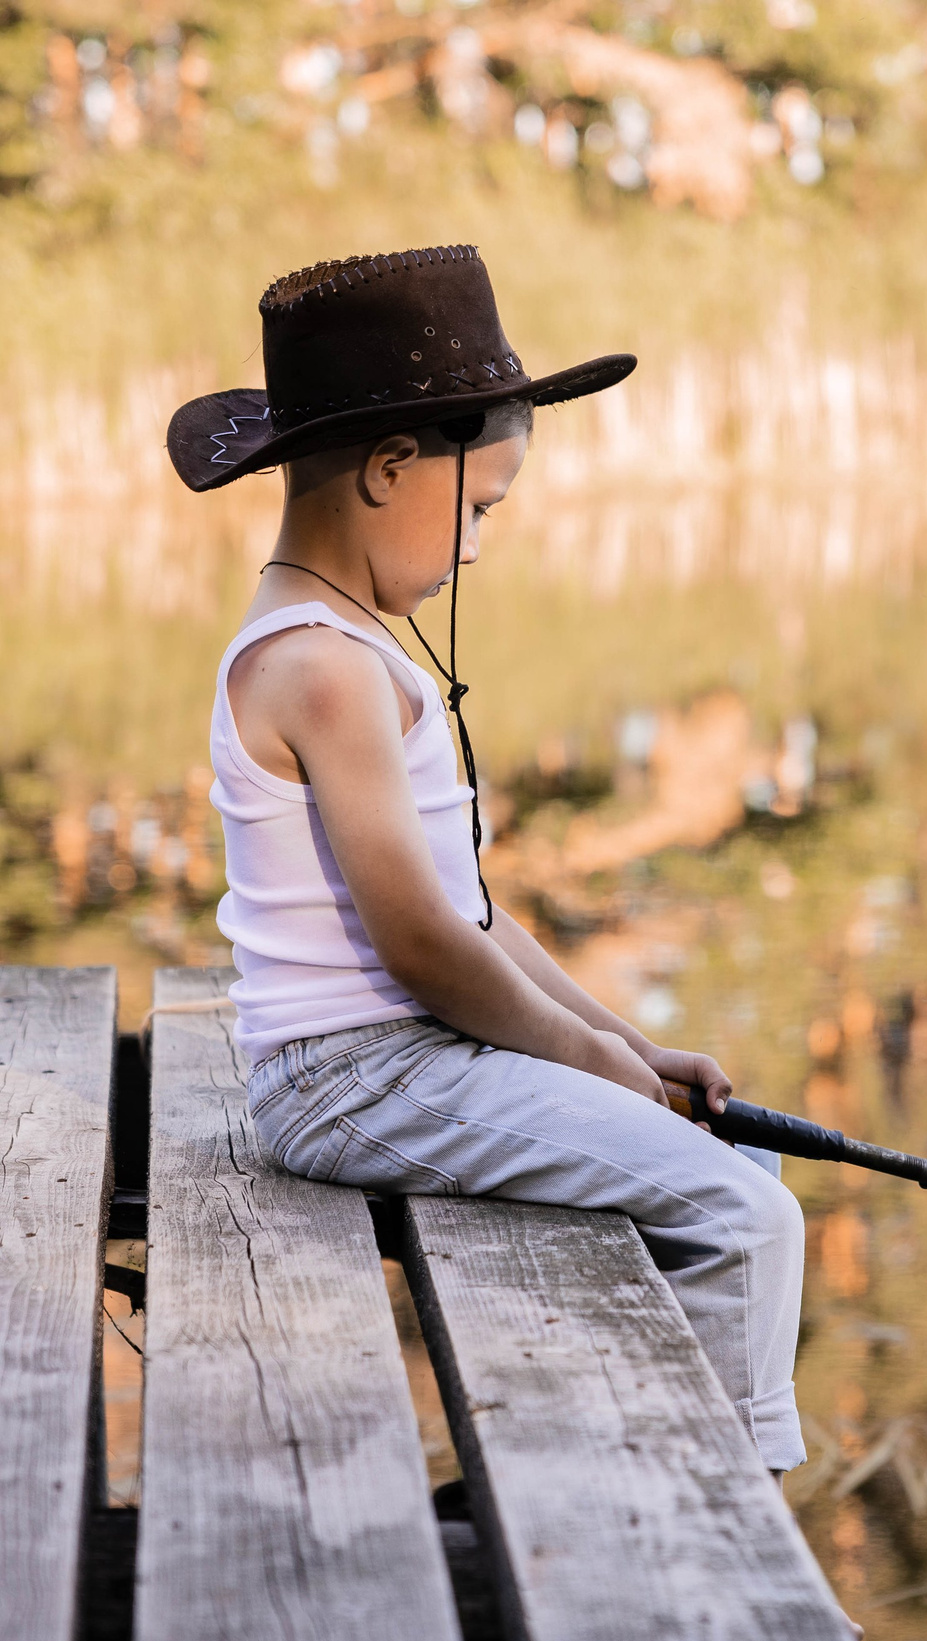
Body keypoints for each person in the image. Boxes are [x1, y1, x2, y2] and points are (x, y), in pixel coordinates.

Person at [166, 245, 809, 1477]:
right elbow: (417, 945)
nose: (471, 547)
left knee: (738, 1153)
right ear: (391, 468)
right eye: (476, 508)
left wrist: (628, 1041)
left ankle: (636, 1447)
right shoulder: (324, 668)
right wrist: (591, 1064)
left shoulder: (354, 648)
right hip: (355, 1080)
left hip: (405, 1062)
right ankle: (728, 1512)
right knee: (745, 1217)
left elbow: (470, 913)